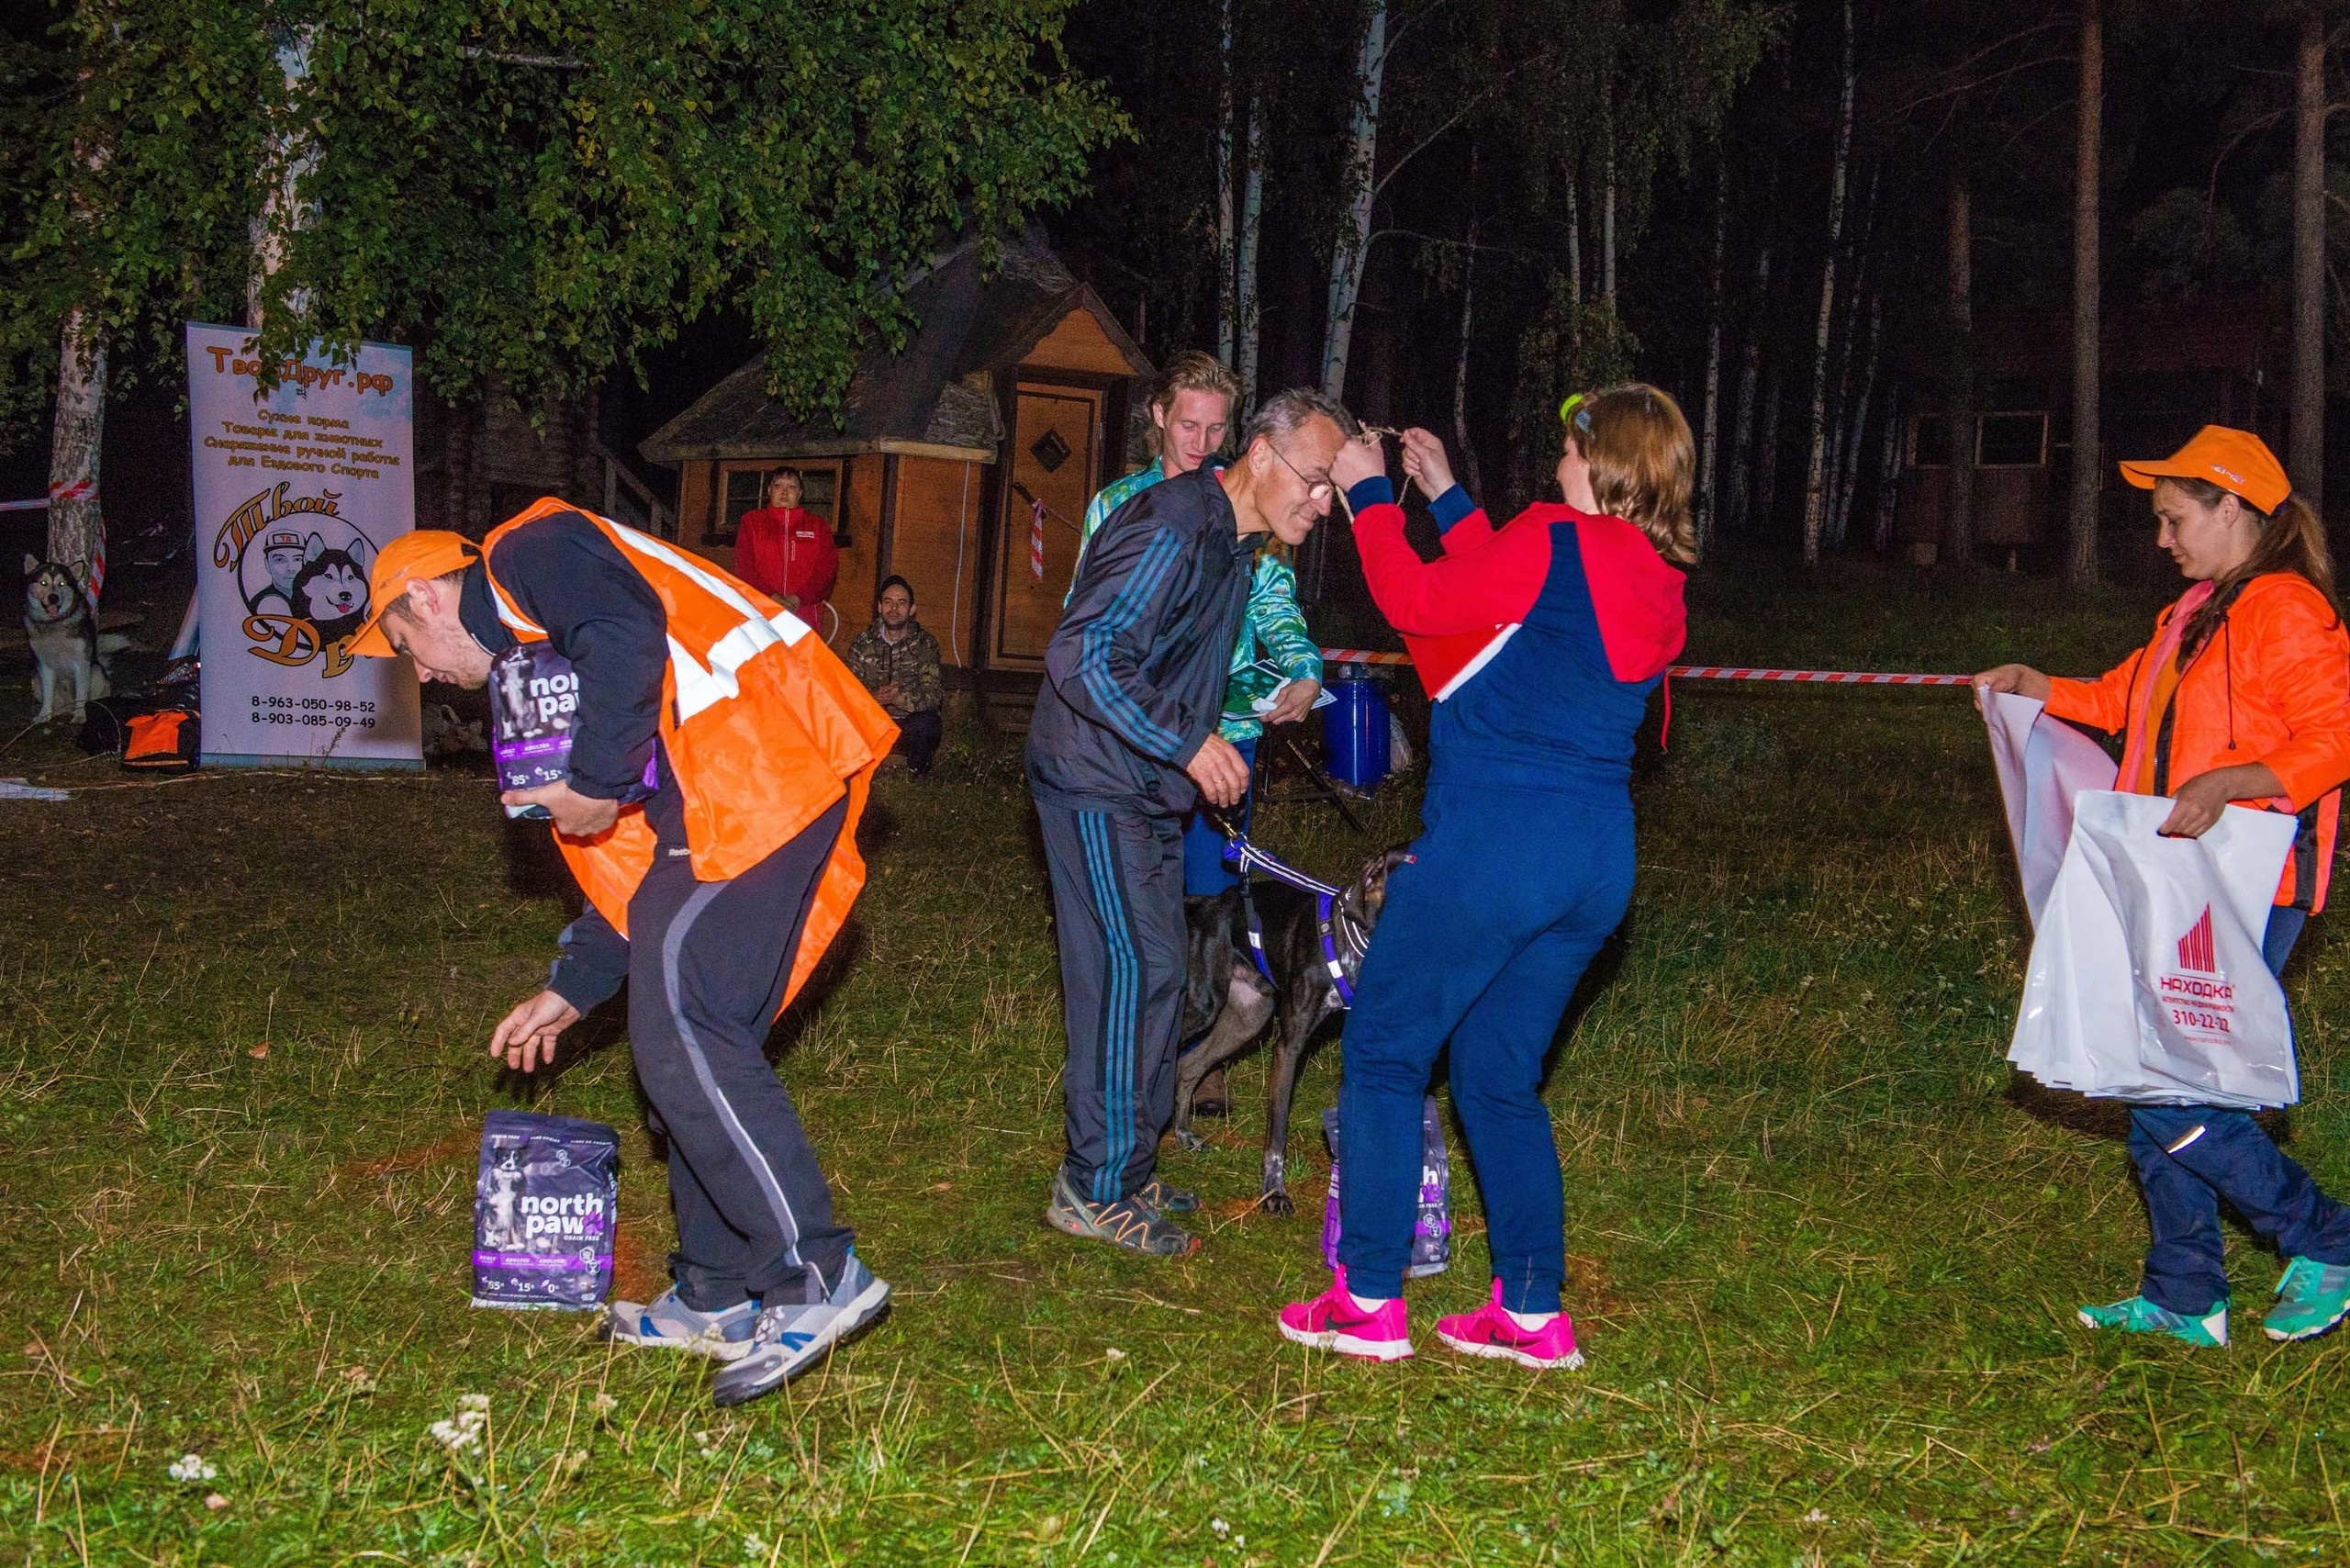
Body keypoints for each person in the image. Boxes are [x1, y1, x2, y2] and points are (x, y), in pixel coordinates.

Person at [348, 498, 901, 1406]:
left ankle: (816, 1276)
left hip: (760, 777)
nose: (425, 674)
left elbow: (627, 632)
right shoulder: (541, 651)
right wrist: (573, 987)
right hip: (729, 796)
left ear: (421, 600)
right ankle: (717, 1294)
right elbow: (635, 866)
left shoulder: (528, 551)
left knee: (684, 1025)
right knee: (675, 1028)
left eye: (405, 649)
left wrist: (594, 785)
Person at [1280, 386, 1692, 1367]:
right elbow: (1527, 607)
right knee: (1498, 1076)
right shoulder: (1651, 576)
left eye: (1568, 450)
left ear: (1603, 464)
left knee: (1383, 1051)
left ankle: (1370, 1298)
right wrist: (1451, 499)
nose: (1555, 464)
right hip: (1595, 861)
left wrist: (1375, 496)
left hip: (1496, 843)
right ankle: (1532, 1312)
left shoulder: (1556, 537)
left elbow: (1420, 602)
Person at [1976, 425, 2350, 1348]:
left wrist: (2234, 781)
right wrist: (2038, 685)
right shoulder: (2191, 612)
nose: (2161, 539)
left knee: (2162, 1087)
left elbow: (2332, 737)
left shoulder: (2285, 610)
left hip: (2252, 880)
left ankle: (2327, 1240)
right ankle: (2186, 1294)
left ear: (2234, 509)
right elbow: (2121, 699)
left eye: (2174, 518)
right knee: (2161, 1079)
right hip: (2174, 875)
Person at [1030, 387, 1356, 1257]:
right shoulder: (1175, 522)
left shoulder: (1236, 548)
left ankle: (1125, 1174)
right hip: (1095, 776)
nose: (1324, 505)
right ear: (1259, 455)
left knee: (1162, 972)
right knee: (1129, 973)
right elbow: (1082, 652)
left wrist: (1245, 716)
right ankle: (1094, 1188)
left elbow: (1176, 661)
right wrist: (1187, 740)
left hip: (1139, 782)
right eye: (1318, 481)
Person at [1071, 352, 1325, 1114]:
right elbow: (1089, 629)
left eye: (1217, 428)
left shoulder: (1245, 503)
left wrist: (1305, 670)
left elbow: (1275, 598)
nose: (1200, 440)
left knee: (1218, 904)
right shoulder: (1122, 503)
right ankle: (1133, 1071)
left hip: (1230, 738)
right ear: (1157, 415)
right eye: (1188, 423)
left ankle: (1197, 1056)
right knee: (1145, 917)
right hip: (1142, 740)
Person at [845, 575, 945, 776]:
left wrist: (899, 699)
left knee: (929, 723)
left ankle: (916, 776)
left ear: (912, 609)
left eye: (901, 603)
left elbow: (934, 695)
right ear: (879, 607)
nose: (894, 610)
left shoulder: (925, 644)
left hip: (907, 723)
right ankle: (856, 776)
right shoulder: (862, 644)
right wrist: (873, 697)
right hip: (873, 723)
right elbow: (847, 690)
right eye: (888, 603)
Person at [734, 468, 839, 615]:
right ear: (769, 490)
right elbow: (744, 567)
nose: (784, 492)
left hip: (803, 610)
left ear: (800, 493)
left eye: (792, 487)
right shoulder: (752, 521)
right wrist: (772, 598)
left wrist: (797, 599)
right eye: (778, 486)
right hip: (760, 608)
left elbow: (827, 570)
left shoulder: (817, 526)